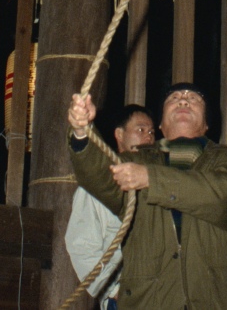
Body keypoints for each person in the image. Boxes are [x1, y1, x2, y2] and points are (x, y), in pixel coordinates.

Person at [68, 83, 227, 309]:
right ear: (161, 125)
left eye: (194, 98)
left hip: (217, 300)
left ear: (207, 124)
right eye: (173, 98)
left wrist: (151, 179)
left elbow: (224, 194)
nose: (183, 100)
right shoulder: (137, 160)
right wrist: (82, 132)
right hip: (148, 301)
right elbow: (99, 177)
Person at [64, 104, 155, 309]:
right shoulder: (95, 188)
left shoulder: (156, 185)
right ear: (119, 134)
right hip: (122, 297)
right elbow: (82, 246)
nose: (148, 137)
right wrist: (112, 291)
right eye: (140, 130)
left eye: (151, 132)